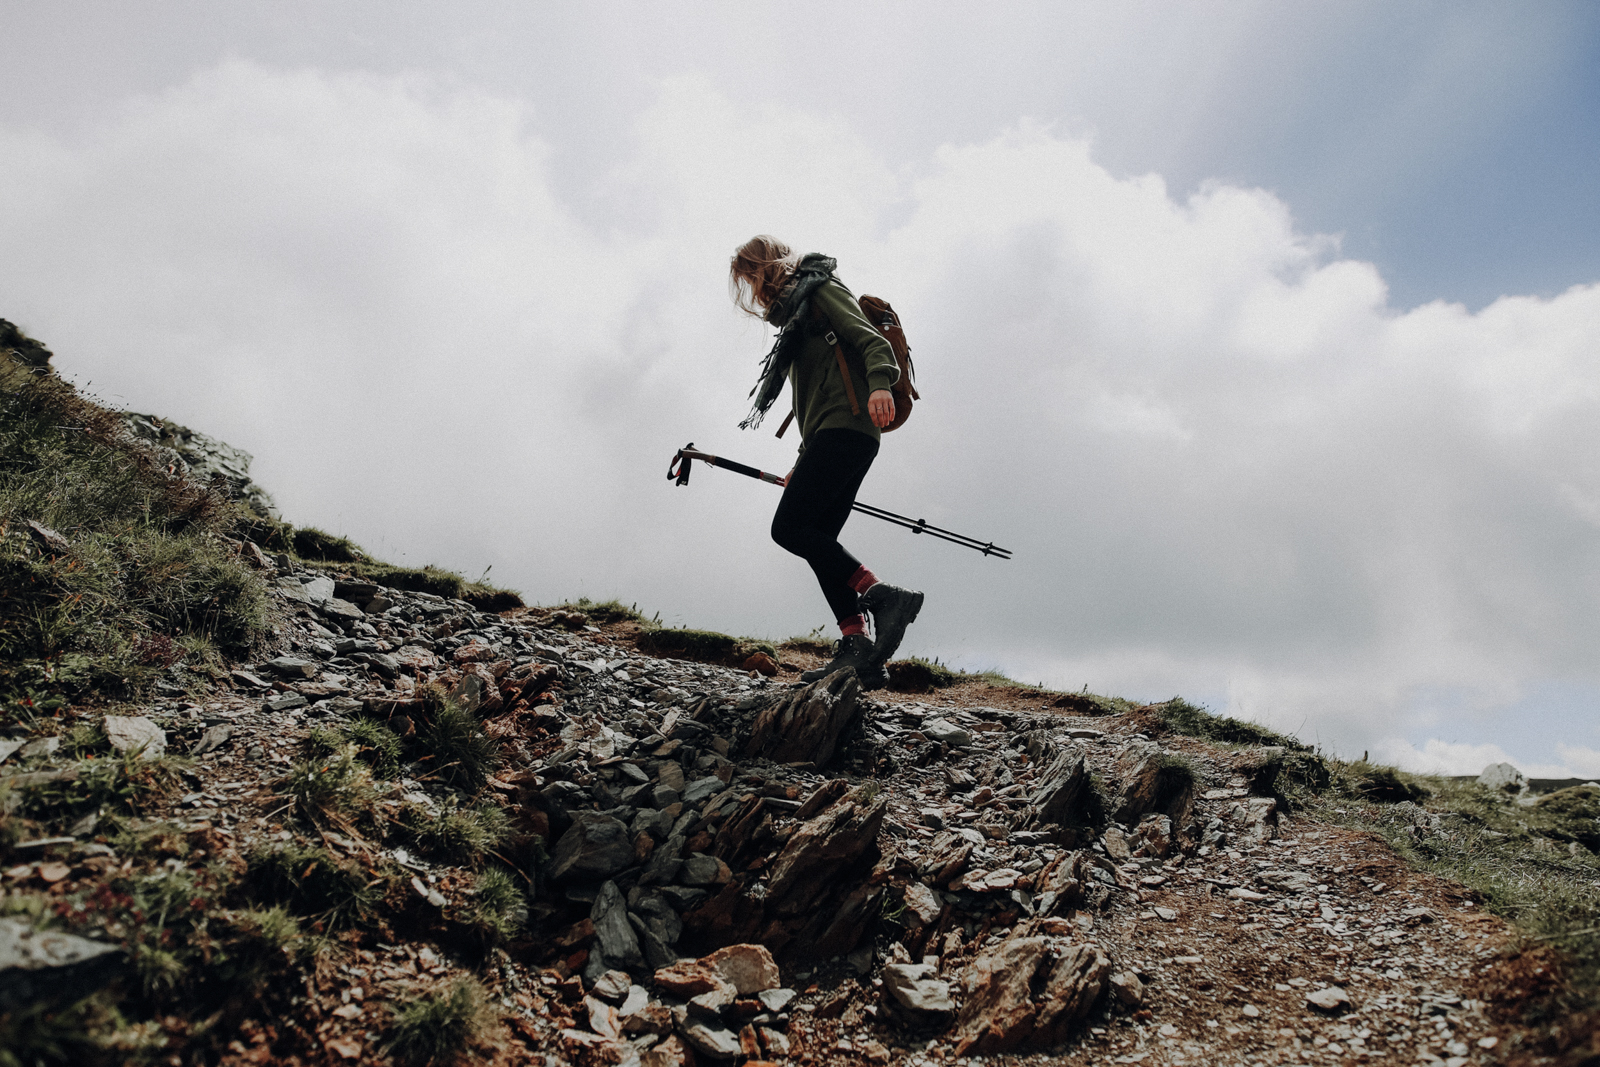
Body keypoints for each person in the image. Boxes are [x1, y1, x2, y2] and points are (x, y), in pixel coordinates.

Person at [729, 235, 923, 687]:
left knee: (789, 529)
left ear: (765, 269)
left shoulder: (822, 291)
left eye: (750, 277)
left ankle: (881, 595)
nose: (752, 291)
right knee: (819, 541)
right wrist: (803, 457)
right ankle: (858, 648)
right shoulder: (797, 319)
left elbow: (871, 341)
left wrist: (879, 384)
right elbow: (815, 398)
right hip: (833, 434)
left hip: (848, 427)